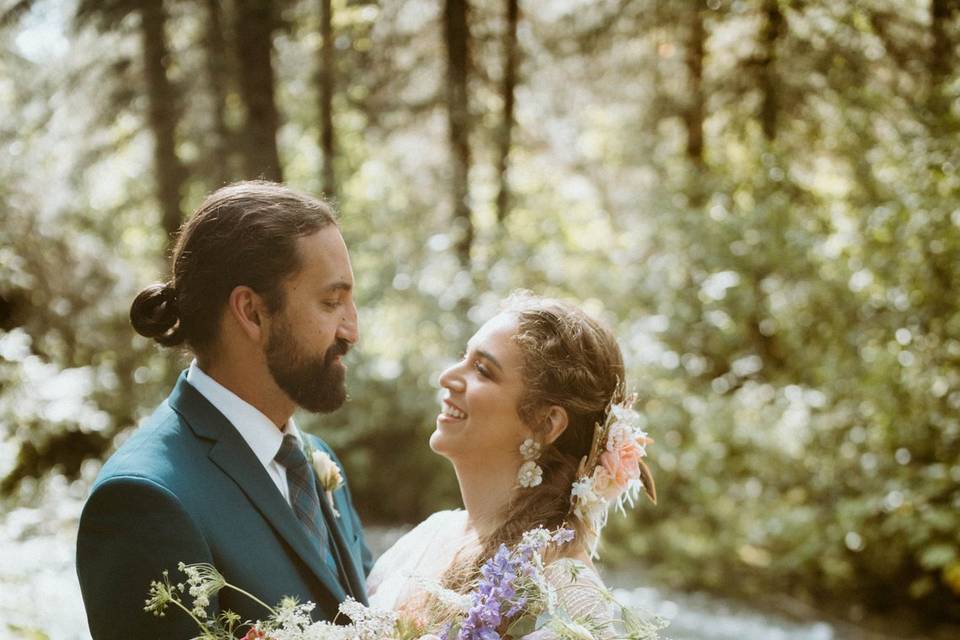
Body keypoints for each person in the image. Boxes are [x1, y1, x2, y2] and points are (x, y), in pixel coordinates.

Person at [76, 181, 372, 639]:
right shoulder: (145, 500)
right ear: (251, 312)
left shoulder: (316, 461)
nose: (352, 329)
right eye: (331, 302)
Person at [367, 292, 657, 636]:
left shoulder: (567, 593)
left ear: (546, 423)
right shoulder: (430, 536)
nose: (448, 376)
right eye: (464, 356)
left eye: (483, 370)